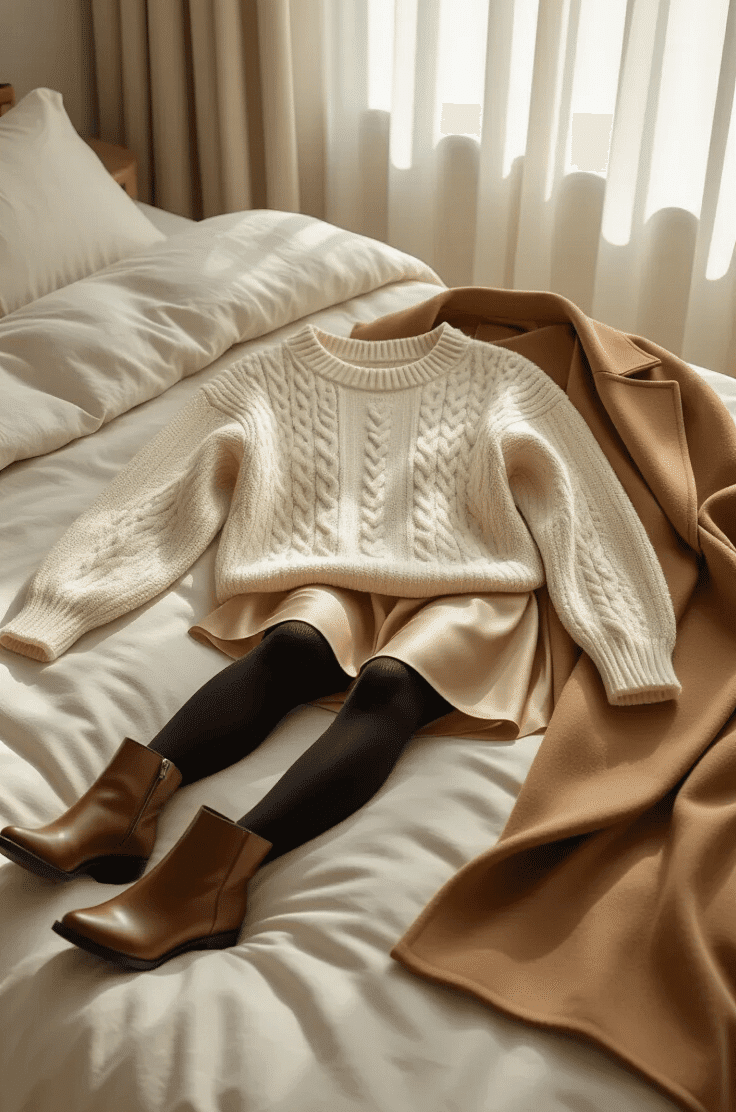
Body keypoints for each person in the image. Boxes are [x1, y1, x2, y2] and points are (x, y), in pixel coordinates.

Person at [0, 321, 681, 971]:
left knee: (391, 685)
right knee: (289, 645)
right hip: (328, 575)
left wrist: (631, 644)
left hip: (474, 587)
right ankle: (116, 813)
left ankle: (205, 885)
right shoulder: (265, 377)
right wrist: (65, 605)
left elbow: (584, 506)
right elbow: (157, 490)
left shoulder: (504, 380)